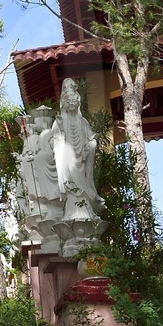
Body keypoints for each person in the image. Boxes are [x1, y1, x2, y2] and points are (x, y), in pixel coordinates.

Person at [52, 79, 102, 220]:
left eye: (74, 101)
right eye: (69, 101)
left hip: (82, 159)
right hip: (67, 159)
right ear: (64, 103)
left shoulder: (83, 122)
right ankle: (71, 211)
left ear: (78, 102)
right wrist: (60, 131)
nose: (72, 104)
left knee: (83, 184)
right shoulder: (59, 121)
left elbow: (92, 138)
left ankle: (87, 211)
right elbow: (54, 142)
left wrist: (90, 147)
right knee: (71, 184)